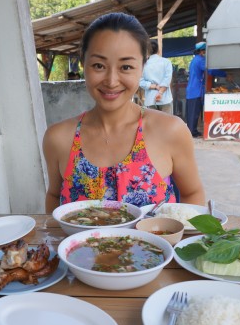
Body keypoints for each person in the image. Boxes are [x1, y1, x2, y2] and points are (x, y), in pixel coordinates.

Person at [42, 12, 205, 213]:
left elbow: (192, 193)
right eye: (99, 66)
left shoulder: (170, 131)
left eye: (126, 66)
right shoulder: (58, 137)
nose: (111, 81)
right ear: (84, 64)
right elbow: (54, 196)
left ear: (142, 67)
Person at [185, 42, 229, 138]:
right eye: (205, 51)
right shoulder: (200, 60)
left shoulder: (195, 60)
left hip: (192, 89)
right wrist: (226, 74)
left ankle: (193, 131)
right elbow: (211, 70)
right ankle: (192, 132)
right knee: (194, 112)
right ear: (202, 51)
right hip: (196, 90)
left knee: (193, 112)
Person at [139, 39, 173, 114]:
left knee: (153, 124)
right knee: (167, 124)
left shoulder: (143, 65)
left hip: (150, 100)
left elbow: (140, 82)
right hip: (165, 99)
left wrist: (154, 86)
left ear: (147, 51)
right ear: (158, 50)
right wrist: (160, 92)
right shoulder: (166, 62)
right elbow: (167, 79)